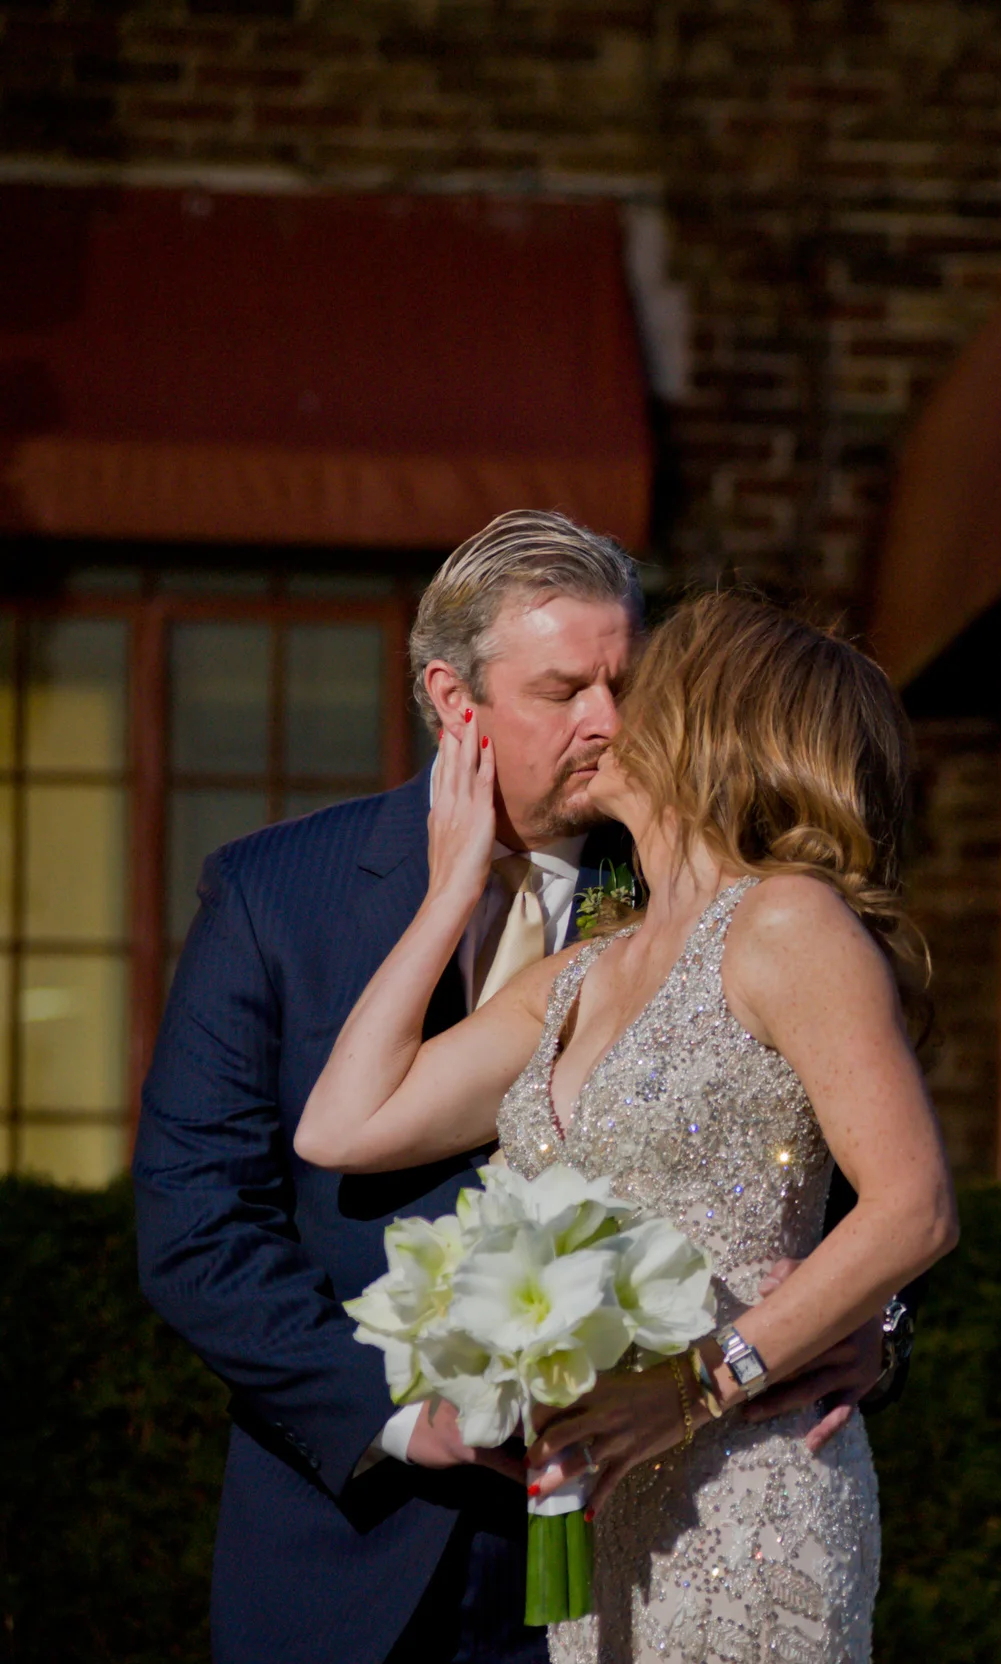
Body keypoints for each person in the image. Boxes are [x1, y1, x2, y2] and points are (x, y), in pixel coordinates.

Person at [134, 514, 891, 1664]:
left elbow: (829, 1170)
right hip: (353, 1535)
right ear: (455, 697)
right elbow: (196, 1223)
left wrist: (869, 1326)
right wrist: (405, 1416)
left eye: (625, 680)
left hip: (655, 1509)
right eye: (564, 687)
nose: (608, 718)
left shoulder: (692, 883)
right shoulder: (273, 894)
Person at [294, 588, 956, 1662]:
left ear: (702, 726)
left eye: (631, 692)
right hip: (601, 1508)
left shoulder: (788, 920)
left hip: (750, 1486)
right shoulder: (581, 973)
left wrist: (700, 1383)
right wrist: (450, 886)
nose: (599, 719)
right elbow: (342, 1123)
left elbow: (914, 1206)